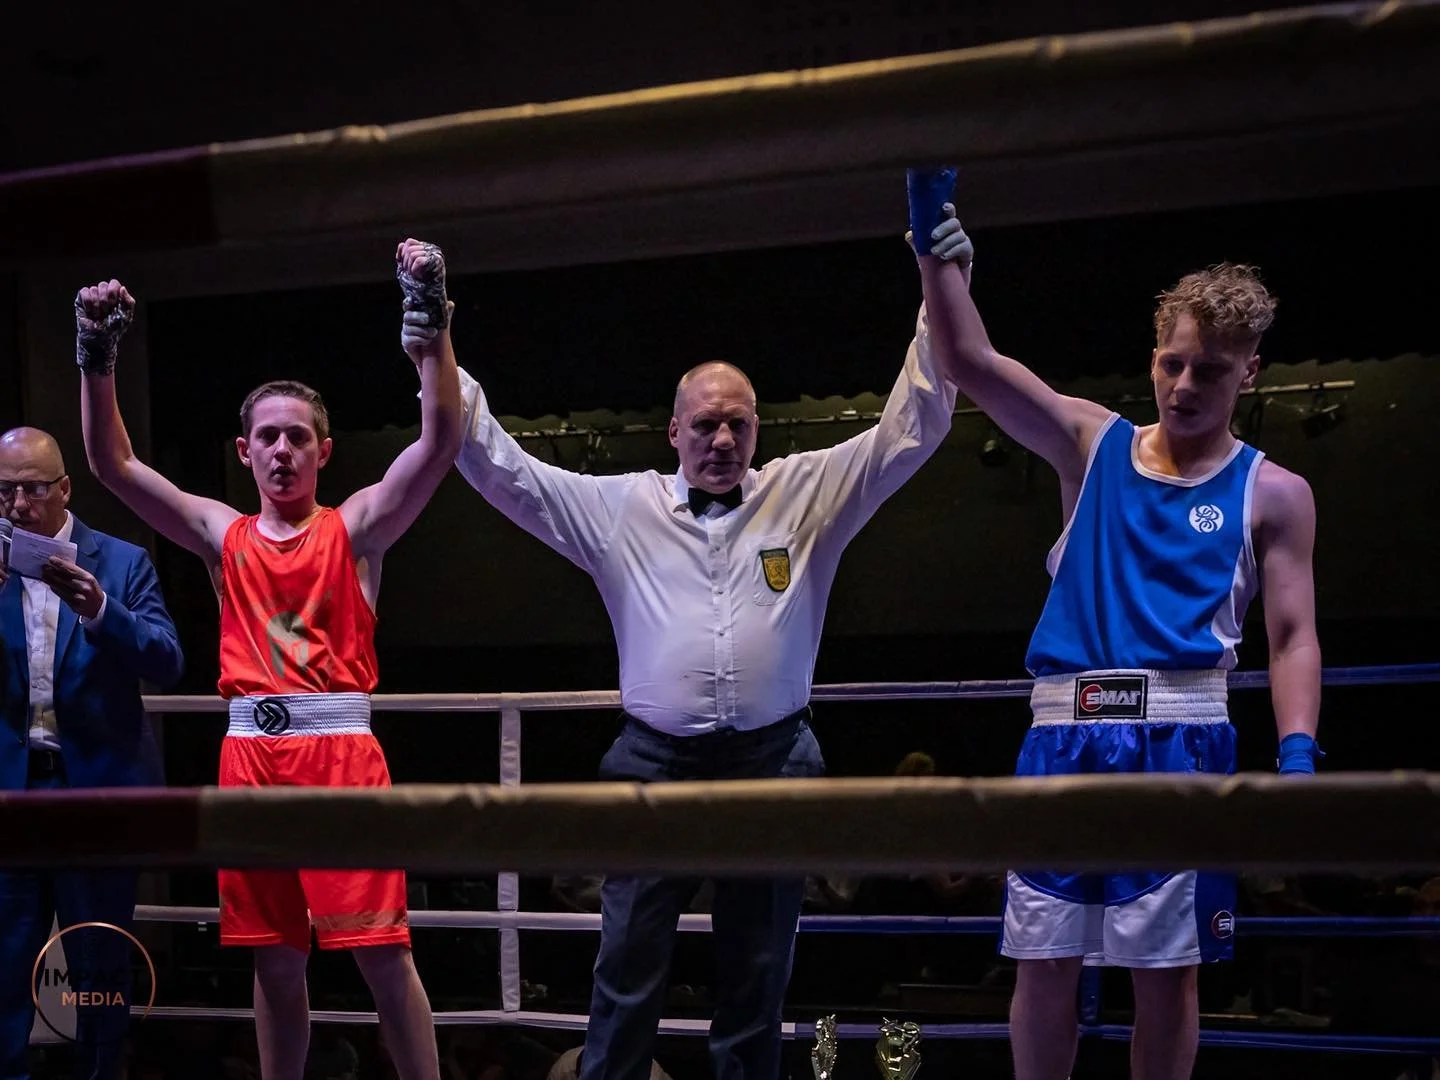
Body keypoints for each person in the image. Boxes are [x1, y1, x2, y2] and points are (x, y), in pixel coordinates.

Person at [399, 179, 966, 1080]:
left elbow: (916, 422)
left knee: (759, 974)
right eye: (704, 423)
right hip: (653, 762)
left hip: (776, 760)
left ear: (757, 429)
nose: (722, 439)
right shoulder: (620, 508)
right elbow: (497, 465)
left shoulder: (803, 491)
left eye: (737, 423)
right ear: (673, 431)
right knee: (624, 971)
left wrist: (943, 282)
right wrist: (434, 342)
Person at [914, 173, 1323, 1079]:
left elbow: (1293, 636)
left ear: (1249, 370)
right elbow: (972, 361)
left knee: (1165, 977)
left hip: (1183, 740)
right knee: (1043, 966)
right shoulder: (1089, 444)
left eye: (1209, 370)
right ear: (1152, 357)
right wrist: (930, 250)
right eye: (1172, 362)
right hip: (1062, 733)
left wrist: (1297, 755)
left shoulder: (1275, 493)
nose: (1184, 385)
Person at [73, 239, 463, 1080]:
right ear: (244, 451)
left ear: (324, 452)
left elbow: (437, 442)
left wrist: (429, 324)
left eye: (298, 437)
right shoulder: (224, 535)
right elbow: (113, 464)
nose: (282, 450)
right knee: (274, 960)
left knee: (381, 954)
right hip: (249, 757)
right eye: (267, 438)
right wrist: (97, 356)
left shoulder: (354, 528)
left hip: (340, 757)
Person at [0, 425, 183, 1079]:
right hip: (11, 799)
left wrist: (103, 611)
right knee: (2, 970)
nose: (18, 505)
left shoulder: (120, 561)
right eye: (4, 491)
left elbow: (169, 660)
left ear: (64, 488)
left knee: (100, 970)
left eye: (31, 489)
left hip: (97, 797)